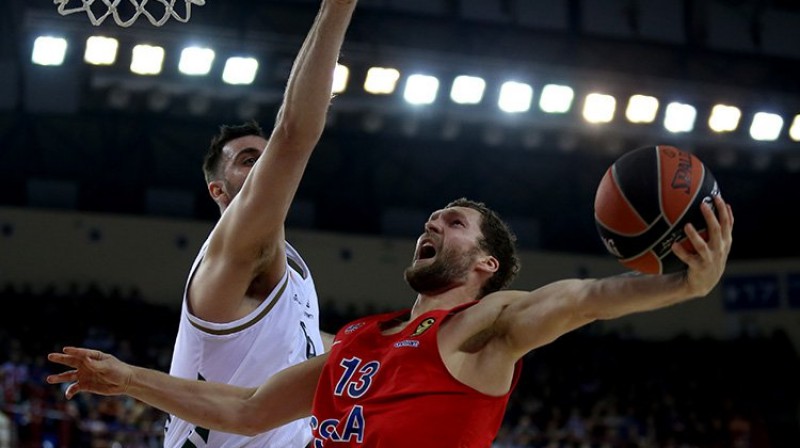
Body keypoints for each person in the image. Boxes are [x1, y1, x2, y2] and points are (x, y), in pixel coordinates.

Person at [47, 195, 734, 447]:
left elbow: (580, 299)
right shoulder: (360, 340)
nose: (433, 222)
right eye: (433, 218)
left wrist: (681, 286)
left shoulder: (484, 326)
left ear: (487, 265)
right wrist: (128, 378)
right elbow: (252, 409)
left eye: (455, 223)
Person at [152, 0, 358, 446]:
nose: (265, 167)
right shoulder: (237, 248)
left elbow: (302, 342)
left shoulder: (290, 270)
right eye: (250, 161)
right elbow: (292, 136)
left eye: (266, 161)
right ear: (218, 191)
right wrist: (336, 9)